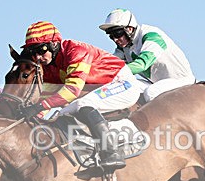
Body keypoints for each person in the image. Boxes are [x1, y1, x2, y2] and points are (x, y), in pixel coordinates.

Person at [17, 21, 140, 172]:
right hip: (101, 88)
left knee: (83, 104)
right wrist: (31, 114)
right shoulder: (49, 67)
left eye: (40, 50)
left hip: (122, 83)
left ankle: (111, 153)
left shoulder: (76, 51)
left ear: (54, 44)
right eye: (33, 52)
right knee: (61, 114)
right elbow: (47, 97)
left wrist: (38, 107)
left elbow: (72, 91)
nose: (37, 57)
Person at [98, 8, 195, 102]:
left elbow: (141, 64)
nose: (115, 39)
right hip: (156, 83)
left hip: (181, 81)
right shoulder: (124, 46)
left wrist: (114, 72)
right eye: (111, 36)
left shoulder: (152, 35)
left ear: (130, 29)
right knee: (123, 85)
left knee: (151, 92)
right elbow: (110, 63)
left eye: (117, 33)